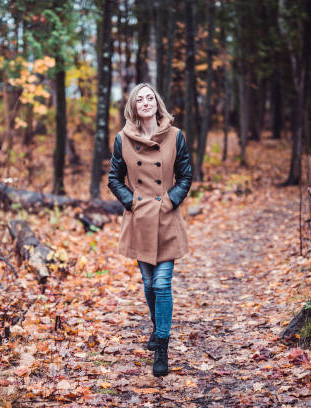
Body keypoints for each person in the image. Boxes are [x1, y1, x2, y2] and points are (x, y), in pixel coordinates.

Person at [108, 83, 192, 377]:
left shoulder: (175, 136)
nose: (145, 102)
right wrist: (131, 201)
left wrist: (170, 200)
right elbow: (114, 178)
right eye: (139, 99)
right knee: (147, 282)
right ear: (133, 107)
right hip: (139, 219)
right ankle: (158, 328)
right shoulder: (123, 139)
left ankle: (162, 348)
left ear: (157, 103)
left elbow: (186, 175)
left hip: (166, 218)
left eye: (150, 98)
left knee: (161, 284)